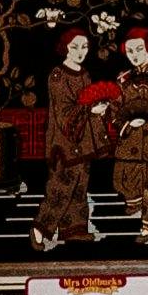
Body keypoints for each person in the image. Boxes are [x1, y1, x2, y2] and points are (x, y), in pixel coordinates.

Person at [33, 31, 108, 251]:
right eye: (75, 47)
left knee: (79, 187)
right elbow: (63, 113)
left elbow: (87, 103)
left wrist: (97, 112)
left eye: (84, 47)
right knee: (61, 188)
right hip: (64, 142)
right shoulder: (57, 76)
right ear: (65, 47)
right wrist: (89, 109)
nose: (80, 52)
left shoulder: (84, 74)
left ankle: (74, 229)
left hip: (83, 141)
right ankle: (40, 228)